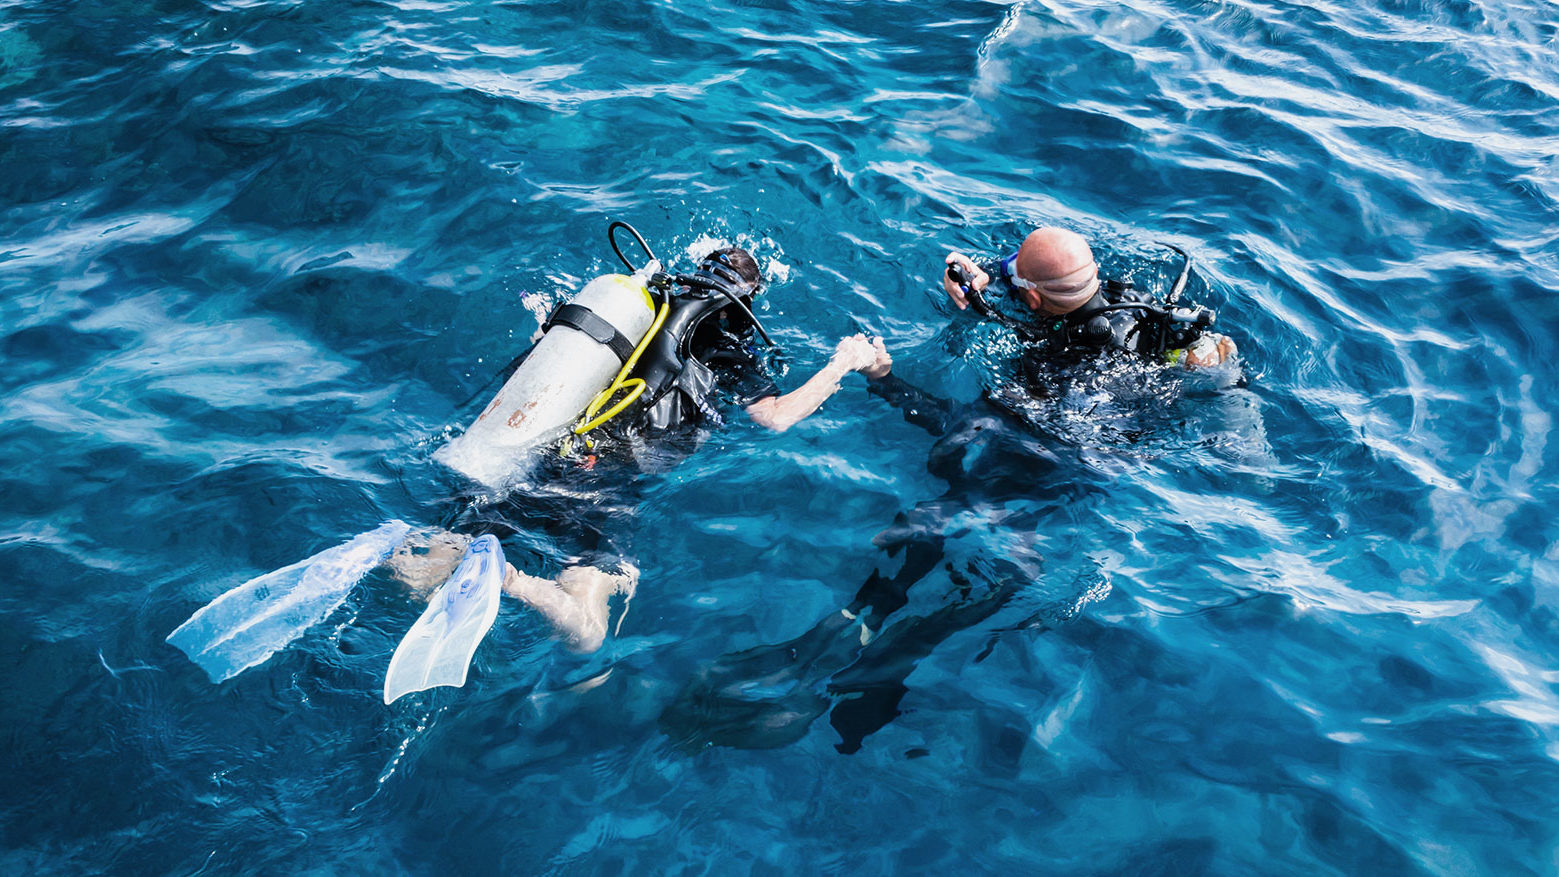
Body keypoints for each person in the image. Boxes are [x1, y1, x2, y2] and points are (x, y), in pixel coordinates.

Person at [394, 245, 892, 654]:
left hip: (547, 456)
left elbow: (543, 354)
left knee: (414, 574)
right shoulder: (729, 350)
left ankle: (446, 553)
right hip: (607, 485)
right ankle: (514, 580)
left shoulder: (635, 314)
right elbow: (776, 417)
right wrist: (841, 364)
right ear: (748, 301)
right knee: (588, 634)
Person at [944, 226, 1236, 375]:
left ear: (1032, 298)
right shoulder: (1134, 300)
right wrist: (985, 274)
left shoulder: (1054, 354)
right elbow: (1032, 270)